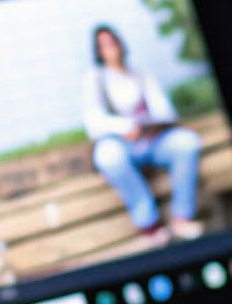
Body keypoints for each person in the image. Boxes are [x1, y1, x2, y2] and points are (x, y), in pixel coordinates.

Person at [83, 24, 205, 244]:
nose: (111, 48)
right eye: (104, 45)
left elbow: (165, 111)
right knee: (108, 156)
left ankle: (182, 217)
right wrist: (124, 127)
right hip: (122, 146)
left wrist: (151, 126)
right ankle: (149, 223)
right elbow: (93, 121)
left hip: (152, 142)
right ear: (98, 51)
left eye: (113, 42)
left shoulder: (140, 74)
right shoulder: (96, 78)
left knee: (188, 143)